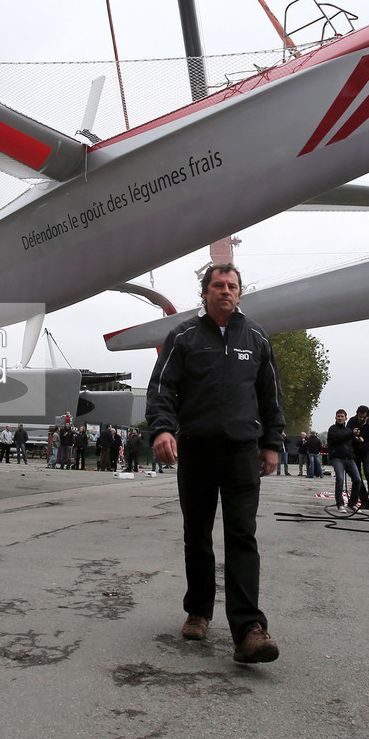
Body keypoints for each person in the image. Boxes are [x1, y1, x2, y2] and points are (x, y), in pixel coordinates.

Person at [146, 262, 284, 665]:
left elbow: (270, 395)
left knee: (242, 537)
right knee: (198, 535)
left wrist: (272, 443)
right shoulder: (183, 336)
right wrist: (162, 430)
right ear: (204, 292)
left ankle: (248, 630)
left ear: (240, 294)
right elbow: (162, 388)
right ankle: (198, 610)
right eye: (218, 285)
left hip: (243, 452)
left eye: (232, 286)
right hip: (197, 450)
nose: (226, 291)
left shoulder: (256, 337)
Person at [326, 408, 368, 513]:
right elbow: (338, 438)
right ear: (335, 418)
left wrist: (358, 440)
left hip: (349, 458)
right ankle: (340, 504)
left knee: (357, 480)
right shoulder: (332, 429)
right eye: (338, 416)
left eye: (342, 416)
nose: (340, 418)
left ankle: (352, 504)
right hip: (337, 458)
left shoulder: (348, 430)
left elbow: (351, 442)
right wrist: (351, 434)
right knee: (340, 478)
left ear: (346, 418)